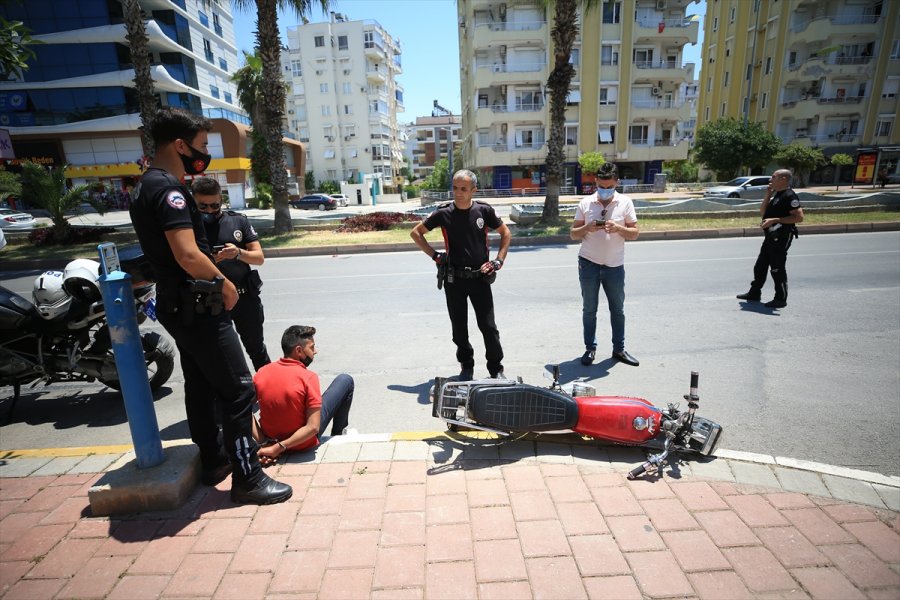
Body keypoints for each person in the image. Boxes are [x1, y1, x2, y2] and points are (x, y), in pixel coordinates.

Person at [129, 106, 291, 505]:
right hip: (199, 304)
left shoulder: (145, 185)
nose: (204, 154)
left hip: (179, 305)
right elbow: (187, 254)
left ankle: (214, 460)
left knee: (200, 384)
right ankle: (247, 477)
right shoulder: (168, 190)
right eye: (201, 145)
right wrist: (224, 283)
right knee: (238, 390)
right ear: (180, 145)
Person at [410, 169, 511, 380]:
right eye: (455, 188)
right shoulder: (443, 213)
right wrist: (435, 256)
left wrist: (498, 261)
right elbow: (416, 233)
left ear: (474, 190)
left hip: (480, 279)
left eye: (464, 189)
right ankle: (466, 366)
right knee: (459, 329)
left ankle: (496, 368)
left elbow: (505, 233)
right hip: (453, 280)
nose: (458, 193)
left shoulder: (484, 211)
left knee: (488, 327)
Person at [192, 177, 271, 370]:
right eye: (203, 206)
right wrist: (208, 262)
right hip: (212, 301)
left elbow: (259, 258)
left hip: (245, 299)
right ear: (193, 202)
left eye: (214, 205)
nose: (209, 210)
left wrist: (238, 253)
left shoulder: (238, 221)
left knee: (257, 350)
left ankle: (269, 387)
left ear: (221, 199)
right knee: (220, 356)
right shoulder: (189, 228)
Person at [570, 162, 640, 367]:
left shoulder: (625, 203)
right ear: (596, 182)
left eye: (609, 187)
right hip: (588, 264)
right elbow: (573, 234)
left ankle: (619, 349)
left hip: (614, 266)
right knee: (589, 309)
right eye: (601, 186)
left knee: (617, 309)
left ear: (617, 182)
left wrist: (619, 228)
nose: (605, 190)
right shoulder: (586, 203)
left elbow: (634, 233)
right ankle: (590, 349)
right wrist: (587, 228)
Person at [252, 325, 354, 465]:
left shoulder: (262, 373)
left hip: (271, 440)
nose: (315, 351)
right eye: (312, 347)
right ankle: (338, 433)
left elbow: (242, 409)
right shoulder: (308, 377)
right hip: (302, 444)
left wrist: (264, 442)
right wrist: (278, 448)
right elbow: (313, 427)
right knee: (345, 380)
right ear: (299, 351)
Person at [736, 169, 804, 309]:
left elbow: (799, 217)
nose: (770, 179)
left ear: (783, 179)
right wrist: (768, 194)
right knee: (760, 266)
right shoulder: (777, 194)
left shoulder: (789, 196)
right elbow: (763, 212)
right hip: (770, 237)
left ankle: (781, 298)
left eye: (773, 177)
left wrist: (775, 220)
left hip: (782, 237)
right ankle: (755, 292)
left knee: (777, 269)